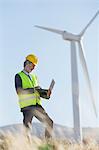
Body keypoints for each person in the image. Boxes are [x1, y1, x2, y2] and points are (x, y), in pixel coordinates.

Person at [15, 54, 53, 138]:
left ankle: (47, 145)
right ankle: (26, 146)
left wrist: (46, 95)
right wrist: (34, 90)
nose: (33, 68)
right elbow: (19, 91)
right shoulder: (19, 76)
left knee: (49, 122)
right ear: (27, 63)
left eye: (34, 66)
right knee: (27, 129)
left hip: (37, 105)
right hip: (27, 107)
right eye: (32, 65)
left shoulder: (34, 77)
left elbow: (37, 91)